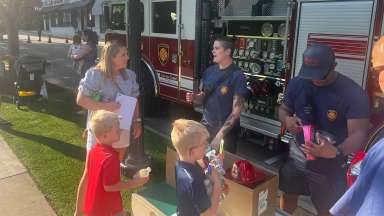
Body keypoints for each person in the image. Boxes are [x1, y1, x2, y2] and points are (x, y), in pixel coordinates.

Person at [278, 44, 370, 215]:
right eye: (310, 74)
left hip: (329, 164)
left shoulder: (352, 93)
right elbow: (283, 109)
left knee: (328, 208)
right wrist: (287, 120)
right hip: (297, 153)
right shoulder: (298, 82)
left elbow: (359, 134)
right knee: (289, 192)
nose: (315, 80)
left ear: (333, 66)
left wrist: (335, 151)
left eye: (320, 74)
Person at [74, 41, 142, 216]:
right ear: (111, 57)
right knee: (89, 173)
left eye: (127, 54)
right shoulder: (95, 75)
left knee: (113, 171)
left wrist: (137, 121)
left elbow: (135, 100)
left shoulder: (129, 75)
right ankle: (78, 211)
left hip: (122, 130)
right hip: (101, 133)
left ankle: (111, 209)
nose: (127, 57)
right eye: (123, 55)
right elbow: (81, 100)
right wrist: (106, 106)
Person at [329, 36, 384, 216]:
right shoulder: (379, 144)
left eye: (379, 70)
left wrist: (335, 151)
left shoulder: (353, 93)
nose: (378, 81)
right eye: (376, 72)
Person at [186, 37, 249, 153]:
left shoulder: (237, 76)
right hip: (205, 127)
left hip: (226, 134)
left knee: (221, 168)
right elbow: (203, 96)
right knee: (202, 163)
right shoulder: (209, 71)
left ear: (227, 52)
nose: (213, 51)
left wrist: (219, 136)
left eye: (217, 48)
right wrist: (195, 97)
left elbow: (235, 113)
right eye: (213, 48)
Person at [83, 110, 149, 216]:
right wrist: (136, 182)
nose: (121, 130)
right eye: (117, 130)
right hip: (105, 209)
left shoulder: (94, 151)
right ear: (105, 136)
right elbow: (109, 187)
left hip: (93, 205)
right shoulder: (110, 158)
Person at [171, 119, 224, 216]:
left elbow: (203, 173)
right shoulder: (193, 180)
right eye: (203, 143)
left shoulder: (182, 163)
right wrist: (217, 184)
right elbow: (210, 214)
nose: (207, 146)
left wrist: (212, 166)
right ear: (192, 151)